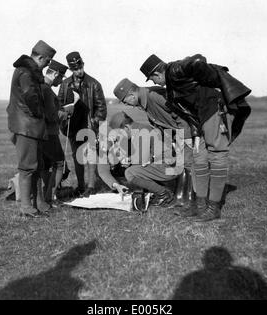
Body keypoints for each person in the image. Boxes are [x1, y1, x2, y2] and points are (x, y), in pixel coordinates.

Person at [140, 54, 252, 221]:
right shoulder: (171, 86)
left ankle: (213, 208)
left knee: (217, 154)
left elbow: (198, 60)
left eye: (153, 79)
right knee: (198, 157)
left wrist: (213, 82)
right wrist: (194, 133)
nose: (155, 83)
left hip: (214, 109)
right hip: (200, 118)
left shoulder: (175, 70)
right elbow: (189, 111)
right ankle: (199, 206)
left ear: (157, 73)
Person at [113, 78, 210, 210]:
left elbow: (180, 113)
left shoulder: (153, 96)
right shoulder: (145, 103)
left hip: (181, 140)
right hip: (173, 147)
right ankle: (184, 198)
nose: (129, 105)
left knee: (187, 165)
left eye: (126, 102)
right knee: (184, 165)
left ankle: (184, 199)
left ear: (131, 95)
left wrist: (185, 138)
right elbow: (161, 127)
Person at [6, 40, 56, 218]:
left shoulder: (27, 71)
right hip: (27, 127)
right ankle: (27, 207)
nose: (48, 64)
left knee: (38, 165)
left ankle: (39, 203)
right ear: (40, 57)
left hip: (31, 126)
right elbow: (31, 98)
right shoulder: (26, 73)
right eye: (47, 61)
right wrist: (42, 114)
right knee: (28, 168)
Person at [98, 111, 182, 207]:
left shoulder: (142, 132)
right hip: (161, 165)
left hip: (170, 168)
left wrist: (124, 159)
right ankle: (155, 190)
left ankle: (164, 194)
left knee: (130, 172)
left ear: (126, 127)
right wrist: (116, 185)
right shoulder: (133, 132)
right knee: (124, 167)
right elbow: (103, 168)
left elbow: (142, 160)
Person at [57, 52, 107, 197]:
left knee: (91, 156)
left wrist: (93, 122)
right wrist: (65, 117)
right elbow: (59, 105)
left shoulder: (94, 84)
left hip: (89, 127)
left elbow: (102, 109)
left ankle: (91, 187)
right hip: (72, 127)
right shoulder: (65, 84)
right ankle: (80, 186)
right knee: (77, 156)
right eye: (75, 69)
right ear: (70, 69)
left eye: (80, 67)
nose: (79, 71)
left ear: (83, 65)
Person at [41, 59, 69, 204]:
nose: (60, 81)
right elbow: (50, 115)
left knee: (46, 165)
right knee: (59, 164)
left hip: (42, 134)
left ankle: (46, 195)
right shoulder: (46, 90)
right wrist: (64, 114)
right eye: (60, 77)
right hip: (50, 133)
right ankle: (50, 196)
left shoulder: (42, 87)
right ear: (55, 74)